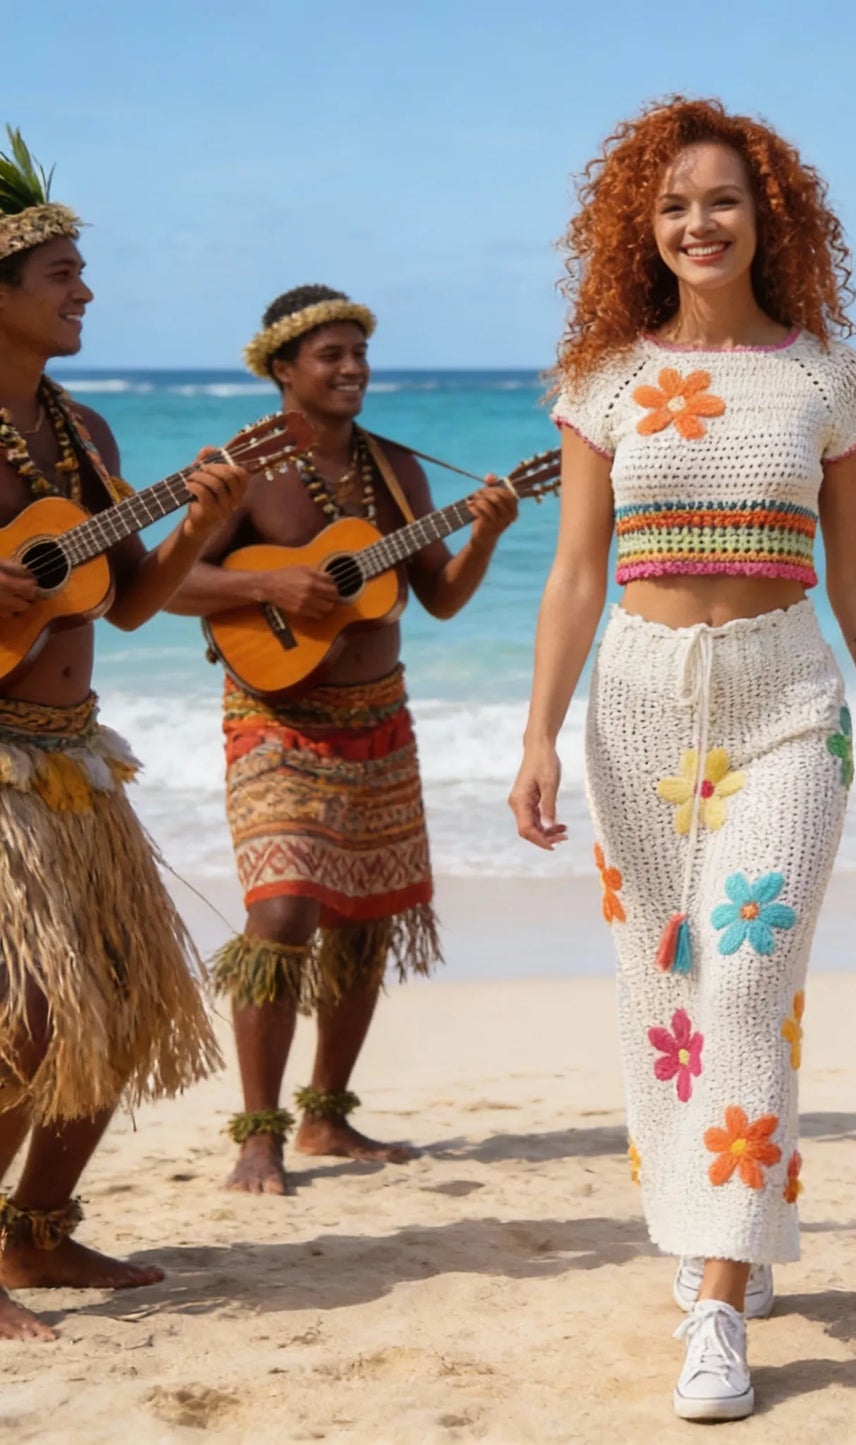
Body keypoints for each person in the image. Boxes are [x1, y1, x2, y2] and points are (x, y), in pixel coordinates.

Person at [507, 97, 856, 1421]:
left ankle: (714, 1303)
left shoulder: (825, 377)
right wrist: (535, 730)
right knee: (668, 989)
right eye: (674, 203)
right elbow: (576, 571)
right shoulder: (602, 378)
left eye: (724, 201)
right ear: (643, 226)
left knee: (745, 978)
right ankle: (718, 1231)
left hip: (786, 699)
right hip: (636, 703)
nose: (700, 222)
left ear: (769, 219)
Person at [167, 285, 518, 1196]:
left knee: (364, 921)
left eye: (359, 352)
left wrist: (482, 536)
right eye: (331, 354)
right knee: (282, 913)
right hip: (275, 719)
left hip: (379, 718)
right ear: (282, 368)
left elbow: (437, 597)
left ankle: (327, 1115)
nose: (353, 368)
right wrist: (272, 586)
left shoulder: (398, 468)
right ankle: (258, 1134)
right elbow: (166, 583)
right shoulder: (244, 465)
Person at [0, 128, 246, 1340]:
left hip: (75, 753)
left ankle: (38, 1235)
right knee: (29, 1016)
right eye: (63, 278)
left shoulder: (85, 435)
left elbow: (137, 599)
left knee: (127, 998)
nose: (86, 293)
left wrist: (204, 523)